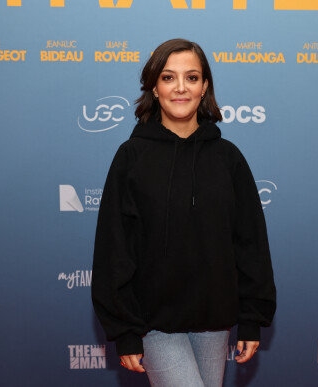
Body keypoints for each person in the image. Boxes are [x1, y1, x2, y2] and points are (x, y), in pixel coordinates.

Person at [91, 38, 276, 387]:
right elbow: (114, 248)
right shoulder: (131, 158)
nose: (180, 88)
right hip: (153, 322)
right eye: (168, 77)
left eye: (191, 78)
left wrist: (251, 317)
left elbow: (250, 243)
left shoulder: (228, 158)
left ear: (204, 86)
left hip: (213, 322)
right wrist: (125, 330)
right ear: (154, 87)